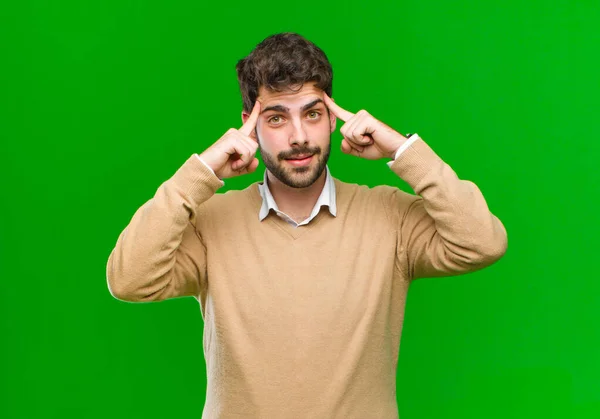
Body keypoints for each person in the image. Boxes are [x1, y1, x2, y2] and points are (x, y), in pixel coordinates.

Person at [106, 32, 507, 419]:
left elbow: (482, 242)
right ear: (249, 124)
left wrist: (403, 150)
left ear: (333, 117)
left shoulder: (390, 216)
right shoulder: (210, 222)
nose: (299, 137)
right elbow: (129, 279)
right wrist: (200, 173)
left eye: (312, 114)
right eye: (277, 118)